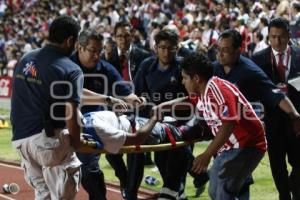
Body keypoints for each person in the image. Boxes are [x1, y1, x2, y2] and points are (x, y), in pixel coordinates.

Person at [157, 52, 267, 200]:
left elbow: (228, 123)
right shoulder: (203, 91)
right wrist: (164, 106)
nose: (182, 82)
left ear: (196, 78)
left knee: (220, 188)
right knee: (217, 191)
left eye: (184, 78)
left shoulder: (217, 90)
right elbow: (189, 101)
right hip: (234, 147)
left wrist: (207, 154)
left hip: (247, 145)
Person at [212, 29, 300, 198]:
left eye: (225, 49)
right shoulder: (213, 69)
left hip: (245, 140)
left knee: (226, 188)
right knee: (220, 187)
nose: (220, 53)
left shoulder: (250, 71)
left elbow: (275, 93)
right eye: (218, 49)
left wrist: (294, 114)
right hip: (223, 136)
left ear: (239, 50)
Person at [10, 15, 82, 200]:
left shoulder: (26, 58)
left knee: (44, 194)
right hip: (47, 142)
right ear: (70, 40)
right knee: (65, 191)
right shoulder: (72, 70)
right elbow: (71, 114)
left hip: (21, 140)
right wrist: (77, 142)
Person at [70, 28, 144, 200]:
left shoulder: (106, 68)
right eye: (93, 51)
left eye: (100, 51)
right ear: (79, 48)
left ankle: (125, 186)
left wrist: (136, 100)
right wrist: (108, 99)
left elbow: (125, 91)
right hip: (70, 124)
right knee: (75, 175)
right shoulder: (67, 66)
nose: (97, 55)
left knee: (89, 171)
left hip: (97, 127)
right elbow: (76, 92)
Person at [134, 29, 193, 200]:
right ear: (155, 48)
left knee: (177, 167)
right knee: (161, 162)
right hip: (156, 122)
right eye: (162, 48)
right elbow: (139, 92)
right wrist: (143, 101)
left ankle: (174, 191)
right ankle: (180, 192)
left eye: (170, 48)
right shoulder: (146, 66)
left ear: (178, 47)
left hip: (182, 124)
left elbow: (192, 97)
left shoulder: (184, 67)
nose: (166, 52)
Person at [252, 17, 300, 200]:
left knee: (298, 165)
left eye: (281, 36)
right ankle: (284, 195)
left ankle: (295, 188)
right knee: (277, 165)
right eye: (273, 37)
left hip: (297, 120)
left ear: (289, 35)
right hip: (272, 123)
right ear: (268, 37)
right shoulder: (257, 59)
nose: (277, 41)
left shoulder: (299, 54)